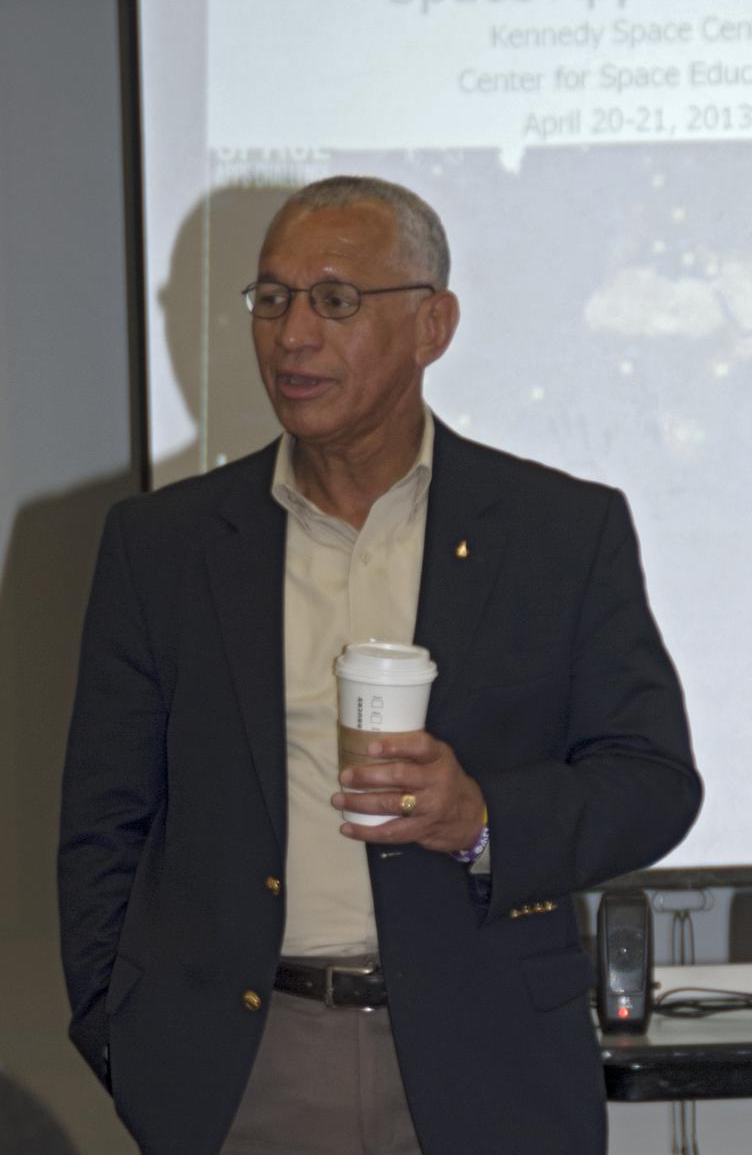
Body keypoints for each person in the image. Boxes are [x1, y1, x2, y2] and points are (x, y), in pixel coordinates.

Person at [59, 175, 702, 1155]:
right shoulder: (166, 544)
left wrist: (483, 818)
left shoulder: (558, 533)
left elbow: (654, 781)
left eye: (336, 300)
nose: (293, 335)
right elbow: (103, 819)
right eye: (271, 299)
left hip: (485, 1064)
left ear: (432, 324)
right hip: (238, 1071)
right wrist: (124, 1034)